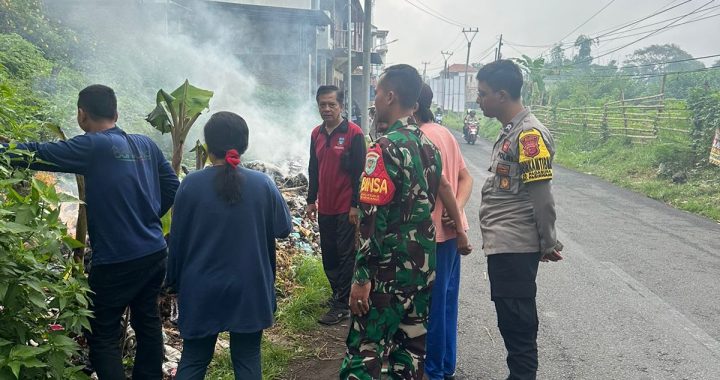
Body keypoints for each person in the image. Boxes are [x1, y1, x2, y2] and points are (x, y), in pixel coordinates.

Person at [1, 84, 179, 379]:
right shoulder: (145, 144)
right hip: (154, 252)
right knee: (147, 323)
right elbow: (173, 186)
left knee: (104, 335)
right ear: (116, 113)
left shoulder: (94, 145)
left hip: (117, 260)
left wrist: (3, 150)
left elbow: (38, 154)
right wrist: (146, 217)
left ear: (82, 115)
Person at [339, 64, 468, 379]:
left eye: (378, 94)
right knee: (409, 357)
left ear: (391, 96)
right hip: (421, 272)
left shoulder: (382, 150)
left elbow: (371, 220)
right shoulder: (429, 147)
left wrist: (360, 279)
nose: (375, 101)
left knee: (363, 356)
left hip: (385, 275)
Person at [166, 112, 292, 380]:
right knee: (247, 359)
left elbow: (176, 242)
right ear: (244, 145)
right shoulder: (263, 184)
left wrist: (172, 284)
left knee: (194, 359)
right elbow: (283, 229)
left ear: (209, 147)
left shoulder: (190, 185)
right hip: (250, 288)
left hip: (201, 288)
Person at [475, 60, 563, 380]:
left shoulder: (529, 136)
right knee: (511, 323)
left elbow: (541, 196)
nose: (479, 100)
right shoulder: (511, 131)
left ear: (501, 95)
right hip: (504, 244)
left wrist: (548, 240)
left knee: (518, 324)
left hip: (514, 245)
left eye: (482, 94)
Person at [415, 84, 475, 380]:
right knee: (447, 301)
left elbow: (444, 184)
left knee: (433, 306)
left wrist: (453, 212)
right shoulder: (445, 133)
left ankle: (434, 372)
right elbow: (466, 178)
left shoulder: (420, 137)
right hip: (450, 234)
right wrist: (459, 212)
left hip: (433, 236)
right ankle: (447, 365)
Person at [306, 85, 366, 325]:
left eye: (332, 104)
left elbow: (360, 173)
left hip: (345, 208)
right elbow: (314, 168)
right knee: (328, 254)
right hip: (325, 207)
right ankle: (337, 295)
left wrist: (355, 205)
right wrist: (311, 200)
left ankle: (342, 305)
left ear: (341, 106)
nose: (327, 109)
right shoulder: (316, 134)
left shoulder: (354, 133)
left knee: (345, 255)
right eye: (323, 104)